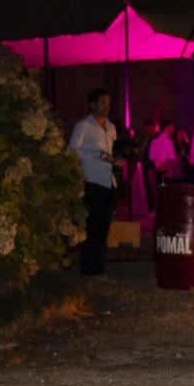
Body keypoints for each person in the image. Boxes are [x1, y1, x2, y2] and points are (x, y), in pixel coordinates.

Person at [69, 89, 117, 276]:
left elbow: (111, 152)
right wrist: (98, 155)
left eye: (108, 103)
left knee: (103, 228)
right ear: (93, 105)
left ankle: (99, 270)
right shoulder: (83, 126)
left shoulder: (110, 127)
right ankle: (88, 270)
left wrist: (116, 159)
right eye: (103, 103)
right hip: (92, 181)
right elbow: (72, 151)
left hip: (108, 181)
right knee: (92, 228)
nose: (107, 107)